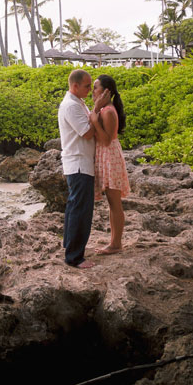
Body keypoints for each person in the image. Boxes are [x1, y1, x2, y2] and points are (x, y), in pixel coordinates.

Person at [87, 74, 131, 254]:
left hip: (110, 157)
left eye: (95, 87)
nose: (92, 91)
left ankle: (116, 244)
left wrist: (95, 121)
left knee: (114, 203)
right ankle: (114, 242)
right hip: (106, 157)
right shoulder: (104, 109)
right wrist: (96, 111)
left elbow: (106, 140)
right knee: (112, 203)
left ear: (106, 91)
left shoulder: (109, 112)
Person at [58, 69, 97, 269]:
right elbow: (88, 133)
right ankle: (74, 257)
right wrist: (97, 109)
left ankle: (70, 249)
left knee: (75, 208)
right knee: (81, 211)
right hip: (79, 164)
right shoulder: (71, 106)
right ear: (75, 86)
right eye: (87, 86)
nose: (90, 90)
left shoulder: (77, 103)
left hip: (80, 163)